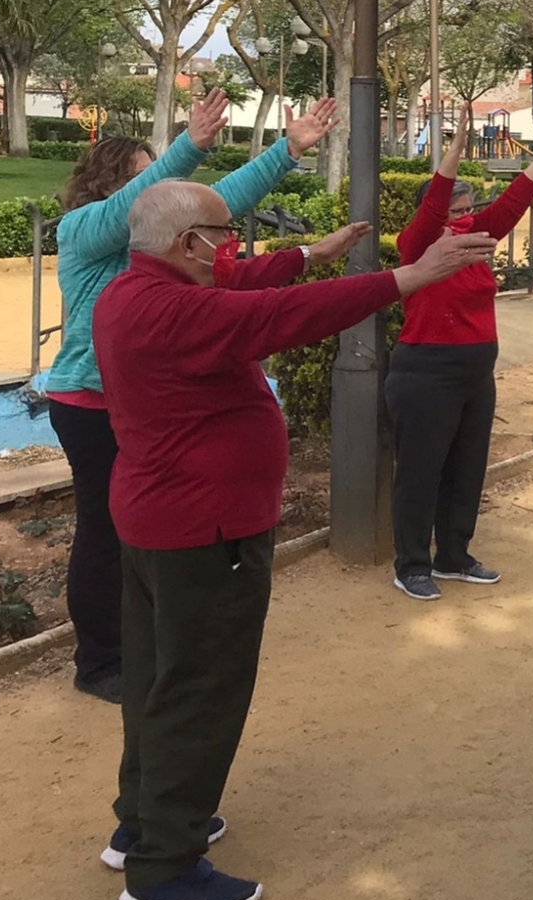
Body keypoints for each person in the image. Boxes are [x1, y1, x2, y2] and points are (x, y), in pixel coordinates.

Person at [91, 181, 495, 900]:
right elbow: (278, 315)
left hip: (162, 522)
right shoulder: (178, 309)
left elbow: (248, 283)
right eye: (223, 233)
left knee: (160, 678)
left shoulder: (134, 290)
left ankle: (144, 822)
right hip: (205, 529)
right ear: (187, 245)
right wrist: (406, 277)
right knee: (201, 689)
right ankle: (164, 867)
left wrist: (314, 251)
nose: (233, 247)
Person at [45, 90, 342, 705]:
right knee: (105, 532)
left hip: (144, 402)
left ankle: (145, 645)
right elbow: (144, 199)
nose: (157, 189)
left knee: (146, 534)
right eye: (143, 176)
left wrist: (286, 152)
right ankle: (100, 661)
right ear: (111, 184)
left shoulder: (162, 242)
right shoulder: (83, 230)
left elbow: (216, 206)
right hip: (90, 404)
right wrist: (188, 148)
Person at [386, 107, 533, 601]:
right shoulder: (418, 245)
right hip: (426, 372)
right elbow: (432, 208)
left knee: (466, 469)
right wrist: (452, 151)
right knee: (420, 472)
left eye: (468, 208)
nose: (465, 217)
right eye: (456, 211)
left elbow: (513, 204)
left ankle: (454, 554)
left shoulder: (475, 242)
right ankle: (411, 563)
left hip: (476, 373)